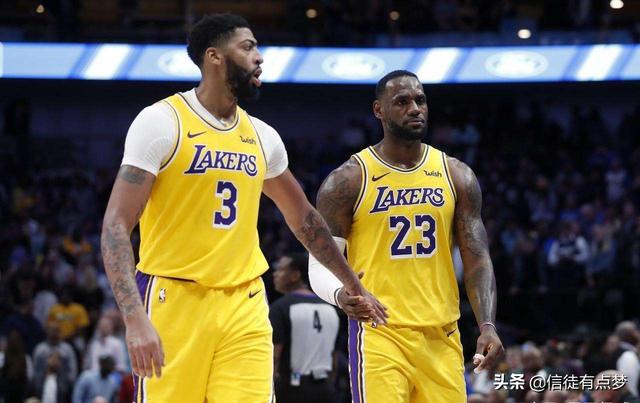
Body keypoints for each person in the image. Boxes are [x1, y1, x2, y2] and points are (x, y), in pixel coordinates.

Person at [100, 13, 385, 403]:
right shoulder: (162, 122)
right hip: (175, 298)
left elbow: (304, 218)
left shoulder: (262, 136)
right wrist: (134, 319)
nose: (259, 57)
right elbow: (116, 225)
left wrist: (351, 282)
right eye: (248, 47)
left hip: (245, 302)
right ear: (214, 56)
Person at [309, 70, 504, 402]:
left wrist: (487, 324)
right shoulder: (348, 181)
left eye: (420, 100)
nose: (415, 109)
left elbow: (477, 257)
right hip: (380, 333)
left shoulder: (456, 175)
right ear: (378, 110)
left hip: (442, 335)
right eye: (401, 102)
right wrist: (339, 295)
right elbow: (319, 262)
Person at [270, 252, 340, 403]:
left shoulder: (280, 308)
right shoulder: (331, 308)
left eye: (280, 269)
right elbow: (335, 356)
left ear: (295, 275)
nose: (275, 274)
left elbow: (274, 356)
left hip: (291, 389)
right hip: (325, 390)